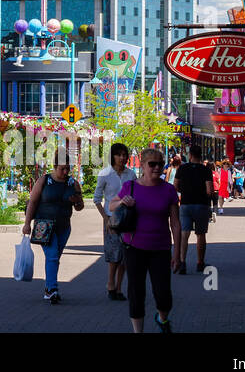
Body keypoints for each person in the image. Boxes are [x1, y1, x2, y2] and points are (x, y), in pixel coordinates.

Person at [110, 147, 181, 332]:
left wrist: (178, 253)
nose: (157, 167)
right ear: (142, 165)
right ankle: (138, 330)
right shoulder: (131, 187)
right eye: (152, 164)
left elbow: (175, 223)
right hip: (134, 247)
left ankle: (162, 318)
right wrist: (122, 201)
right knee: (136, 292)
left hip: (161, 248)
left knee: (163, 294)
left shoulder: (168, 190)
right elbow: (112, 204)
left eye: (160, 163)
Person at [21, 146, 84, 303]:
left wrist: (77, 202)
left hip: (64, 227)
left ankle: (49, 288)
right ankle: (51, 289)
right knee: (53, 257)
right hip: (44, 225)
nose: (65, 172)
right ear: (55, 167)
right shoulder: (44, 181)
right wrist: (27, 224)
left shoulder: (73, 183)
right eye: (62, 169)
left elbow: (79, 207)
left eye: (68, 169)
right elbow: (33, 202)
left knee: (54, 258)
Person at [93, 142, 136, 301]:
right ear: (113, 157)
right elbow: (97, 199)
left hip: (128, 219)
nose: (122, 158)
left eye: (124, 155)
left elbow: (136, 194)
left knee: (125, 255)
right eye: (119, 155)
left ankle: (119, 287)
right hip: (112, 218)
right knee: (114, 254)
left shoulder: (131, 175)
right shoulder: (105, 174)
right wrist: (106, 219)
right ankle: (110, 284)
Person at [174, 151, 215, 274]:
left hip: (185, 204)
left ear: (190, 156)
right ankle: (200, 263)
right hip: (201, 205)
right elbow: (209, 190)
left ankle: (182, 262)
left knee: (184, 234)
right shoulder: (206, 170)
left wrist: (184, 191)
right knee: (200, 234)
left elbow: (175, 186)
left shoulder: (182, 168)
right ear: (200, 157)